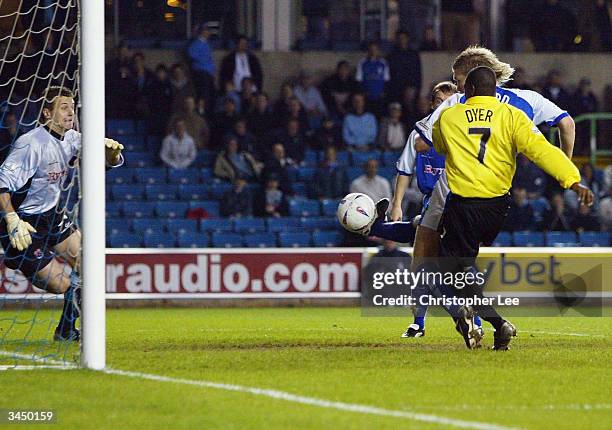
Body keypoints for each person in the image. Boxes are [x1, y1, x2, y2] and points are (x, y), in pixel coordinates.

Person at [394, 47, 577, 339]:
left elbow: (422, 142)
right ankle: (477, 319)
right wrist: (565, 169)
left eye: (458, 79)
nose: (455, 86)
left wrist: (452, 139)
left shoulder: (456, 102)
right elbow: (567, 123)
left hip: (457, 191)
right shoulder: (526, 99)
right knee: (462, 262)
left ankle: (444, 317)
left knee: (430, 257)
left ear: (471, 79)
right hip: (498, 198)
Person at [431, 66, 592, 349]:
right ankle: (496, 325)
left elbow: (440, 145)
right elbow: (542, 151)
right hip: (497, 208)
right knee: (462, 269)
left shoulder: (449, 116)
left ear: (467, 91)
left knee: (442, 273)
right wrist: (573, 181)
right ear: (495, 90)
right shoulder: (513, 116)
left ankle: (477, 318)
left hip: (463, 205)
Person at [0, 86, 124, 342]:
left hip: (52, 215)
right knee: (60, 285)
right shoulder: (31, 144)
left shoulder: (74, 138)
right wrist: (12, 218)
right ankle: (65, 322)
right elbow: (1, 183)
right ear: (47, 113)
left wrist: (111, 157)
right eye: (63, 107)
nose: (71, 112)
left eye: (72, 106)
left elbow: (101, 159)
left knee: (90, 264)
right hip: (23, 223)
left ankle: (66, 331)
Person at [386, 31, 421, 106]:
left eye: (403, 38)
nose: (402, 40)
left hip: (411, 88)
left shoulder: (413, 55)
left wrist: (414, 88)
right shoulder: (392, 55)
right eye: (400, 38)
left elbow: (417, 73)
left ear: (407, 39)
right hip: (396, 89)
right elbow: (390, 73)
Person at [355, 41, 390, 114]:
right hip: (367, 97)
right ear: (368, 51)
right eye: (371, 50)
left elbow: (386, 79)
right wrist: (363, 93)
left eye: (375, 50)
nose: (373, 52)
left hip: (379, 97)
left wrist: (383, 93)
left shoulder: (383, 63)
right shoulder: (362, 63)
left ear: (378, 51)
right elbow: (359, 80)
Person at [187, 22, 216, 109]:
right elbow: (191, 53)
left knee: (209, 95)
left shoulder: (206, 43)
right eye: (207, 31)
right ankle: (201, 110)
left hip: (208, 73)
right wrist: (202, 61)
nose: (208, 33)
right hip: (201, 73)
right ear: (203, 32)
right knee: (203, 95)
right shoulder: (197, 43)